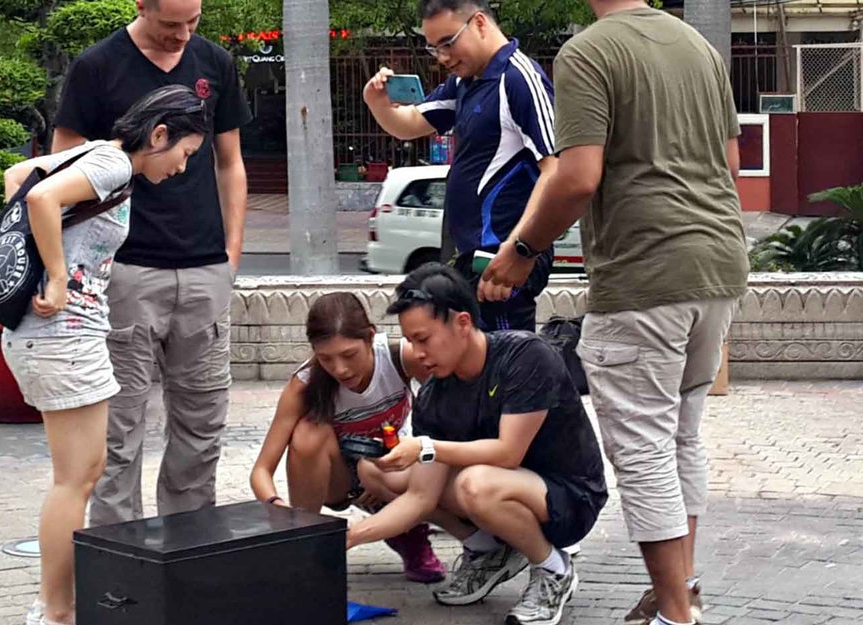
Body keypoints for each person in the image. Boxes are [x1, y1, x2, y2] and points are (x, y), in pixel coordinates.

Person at [481, 2, 749, 624]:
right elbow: (731, 165)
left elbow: (577, 176)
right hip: (718, 266)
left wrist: (522, 249)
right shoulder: (697, 47)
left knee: (644, 449)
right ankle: (680, 589)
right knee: (680, 436)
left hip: (644, 273)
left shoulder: (590, 51)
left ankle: (676, 615)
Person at [0, 85, 211, 625]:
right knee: (76, 480)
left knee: (80, 475)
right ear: (159, 135)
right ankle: (56, 611)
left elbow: (17, 178)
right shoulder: (113, 164)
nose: (182, 167)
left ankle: (58, 607)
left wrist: (50, 261)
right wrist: (55, 275)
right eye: (184, 152)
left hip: (53, 337)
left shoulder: (94, 152)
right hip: (64, 336)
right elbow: (39, 199)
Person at [51, 0, 253, 527]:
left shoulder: (215, 62)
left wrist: (230, 254)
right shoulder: (98, 66)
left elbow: (230, 163)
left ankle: (189, 548)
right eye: (170, 24)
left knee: (202, 425)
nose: (183, 35)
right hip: (124, 271)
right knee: (117, 430)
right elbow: (60, 168)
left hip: (205, 268)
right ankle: (121, 556)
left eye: (193, 21)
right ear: (140, 4)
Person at [346, 264, 608, 625]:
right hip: (502, 490)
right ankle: (488, 550)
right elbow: (421, 497)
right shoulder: (434, 396)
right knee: (378, 472)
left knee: (475, 484)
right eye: (410, 341)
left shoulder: (526, 356)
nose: (416, 352)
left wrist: (426, 448)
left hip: (570, 498)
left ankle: (554, 570)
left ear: (463, 323)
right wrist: (351, 536)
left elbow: (508, 452)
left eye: (424, 339)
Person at [362, 0, 557, 333]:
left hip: (504, 256)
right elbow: (411, 124)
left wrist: (519, 250)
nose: (442, 57)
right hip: (472, 256)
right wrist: (376, 102)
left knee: (504, 358)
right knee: (466, 358)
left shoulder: (519, 79)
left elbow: (555, 170)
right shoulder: (465, 81)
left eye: (448, 43)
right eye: (434, 48)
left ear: (479, 23)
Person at [250, 292, 446, 583]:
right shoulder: (304, 384)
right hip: (342, 480)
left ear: (370, 337)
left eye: (349, 355)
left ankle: (415, 537)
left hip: (398, 465)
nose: (339, 369)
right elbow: (261, 471)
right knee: (307, 434)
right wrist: (277, 506)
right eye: (325, 358)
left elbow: (448, 416)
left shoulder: (400, 358)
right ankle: (306, 540)